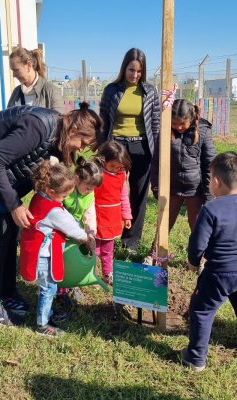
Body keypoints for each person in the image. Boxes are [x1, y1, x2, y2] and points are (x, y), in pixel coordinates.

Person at [0, 102, 102, 327]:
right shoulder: (38, 126)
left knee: (10, 232)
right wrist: (14, 204)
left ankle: (7, 294)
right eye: (83, 142)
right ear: (74, 129)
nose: (80, 148)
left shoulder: (55, 131)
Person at [181, 152, 237, 372]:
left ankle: (196, 357)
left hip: (218, 273)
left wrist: (193, 262)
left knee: (202, 310)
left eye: (210, 178)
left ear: (216, 182)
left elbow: (197, 243)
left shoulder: (211, 209)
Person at [19, 161, 95, 337]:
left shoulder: (40, 196)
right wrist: (86, 238)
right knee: (48, 288)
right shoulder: (52, 210)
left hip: (38, 251)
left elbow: (63, 214)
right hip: (44, 256)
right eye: (63, 196)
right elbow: (70, 226)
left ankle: (47, 314)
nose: (64, 200)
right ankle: (42, 324)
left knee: (48, 287)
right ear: (52, 191)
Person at [99, 48, 160, 252]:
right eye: (131, 69)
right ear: (124, 67)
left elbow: (156, 122)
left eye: (139, 71)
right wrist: (102, 147)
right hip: (116, 146)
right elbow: (104, 120)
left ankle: (130, 241)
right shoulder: (111, 90)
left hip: (141, 146)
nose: (135, 75)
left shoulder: (150, 91)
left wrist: (156, 148)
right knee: (111, 191)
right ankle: (105, 234)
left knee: (138, 194)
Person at [144, 99, 217, 265]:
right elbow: (156, 162)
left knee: (199, 228)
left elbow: (209, 164)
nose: (177, 127)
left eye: (182, 124)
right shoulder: (163, 132)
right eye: (174, 123)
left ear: (191, 119)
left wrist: (209, 193)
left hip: (195, 190)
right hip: (171, 188)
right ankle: (154, 255)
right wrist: (156, 185)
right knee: (164, 225)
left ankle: (202, 259)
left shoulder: (203, 132)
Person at [57, 157, 103, 304]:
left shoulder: (89, 195)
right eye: (88, 188)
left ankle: (72, 284)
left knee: (73, 259)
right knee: (61, 259)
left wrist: (90, 233)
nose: (89, 192)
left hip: (76, 231)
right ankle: (60, 289)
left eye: (93, 190)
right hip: (59, 229)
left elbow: (90, 215)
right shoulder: (66, 189)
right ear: (77, 180)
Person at [93, 140, 132, 284]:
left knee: (108, 249)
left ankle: (107, 273)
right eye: (112, 166)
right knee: (94, 249)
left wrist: (126, 215)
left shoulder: (122, 175)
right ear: (103, 161)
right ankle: (93, 274)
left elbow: (123, 196)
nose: (116, 169)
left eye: (119, 166)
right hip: (97, 216)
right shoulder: (96, 174)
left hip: (112, 217)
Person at [7, 47, 64, 113]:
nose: (13, 75)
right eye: (12, 70)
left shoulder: (51, 91)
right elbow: (6, 120)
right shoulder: (16, 92)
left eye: (16, 70)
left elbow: (60, 120)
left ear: (29, 65)